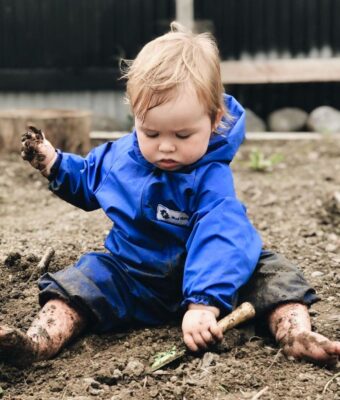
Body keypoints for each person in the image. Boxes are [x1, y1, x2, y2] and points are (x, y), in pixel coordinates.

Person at [1, 22, 339, 368]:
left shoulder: (210, 177)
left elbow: (220, 236)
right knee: (79, 282)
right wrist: (55, 164)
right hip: (132, 275)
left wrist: (204, 301)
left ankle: (296, 334)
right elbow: (89, 177)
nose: (165, 146)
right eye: (150, 132)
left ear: (214, 119)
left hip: (210, 283)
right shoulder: (122, 156)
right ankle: (36, 342)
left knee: (275, 274)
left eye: (182, 134)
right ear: (135, 116)